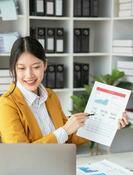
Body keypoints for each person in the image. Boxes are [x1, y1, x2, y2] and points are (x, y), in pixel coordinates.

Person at [0, 36, 128, 144]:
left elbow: (71, 137)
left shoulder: (50, 96)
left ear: (45, 65)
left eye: (36, 67)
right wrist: (65, 130)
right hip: (29, 172)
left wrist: (110, 125)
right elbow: (21, 154)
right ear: (13, 69)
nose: (29, 75)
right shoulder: (6, 104)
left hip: (59, 166)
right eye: (21, 68)